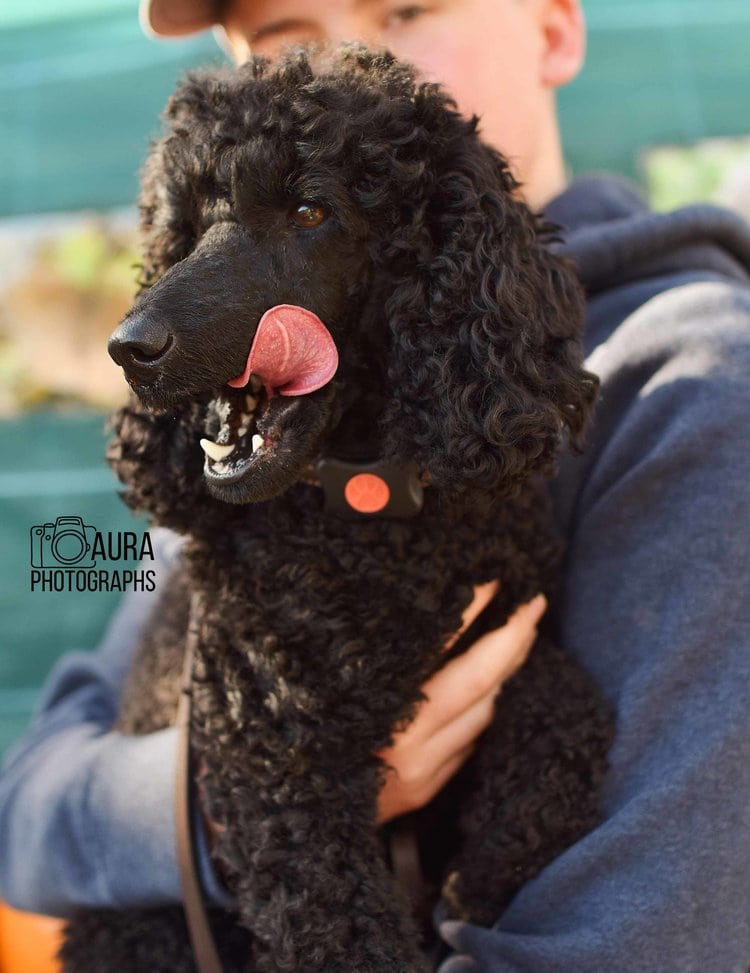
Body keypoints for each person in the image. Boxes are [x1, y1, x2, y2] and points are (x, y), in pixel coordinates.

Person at [2, 1, 750, 969]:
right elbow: (27, 810)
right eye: (281, 34)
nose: (347, 64)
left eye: (405, 6)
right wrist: (239, 799)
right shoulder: (250, 423)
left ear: (556, 28)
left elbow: (648, 931)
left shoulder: (698, 390)